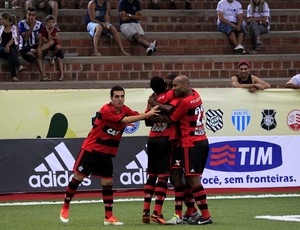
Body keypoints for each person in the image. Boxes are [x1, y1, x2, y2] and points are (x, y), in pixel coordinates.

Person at [59, 86, 160, 225]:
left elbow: (136, 115)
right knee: (78, 178)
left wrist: (150, 110)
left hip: (106, 154)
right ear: (111, 98)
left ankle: (108, 217)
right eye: (116, 97)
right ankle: (65, 205)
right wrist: (148, 114)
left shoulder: (125, 109)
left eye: (122, 96)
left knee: (107, 183)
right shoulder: (106, 110)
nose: (120, 99)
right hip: (91, 150)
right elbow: (126, 120)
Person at [160, 75, 213, 225]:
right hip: (201, 141)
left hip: (191, 144)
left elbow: (171, 119)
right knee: (188, 179)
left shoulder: (185, 102)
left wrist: (155, 107)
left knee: (193, 180)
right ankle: (190, 212)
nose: (173, 89)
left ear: (185, 85)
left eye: (176, 86)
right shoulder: (195, 94)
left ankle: (206, 216)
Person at [142, 76, 176, 225]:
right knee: (162, 177)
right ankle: (157, 212)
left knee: (151, 176)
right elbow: (171, 115)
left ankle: (145, 211)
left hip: (152, 139)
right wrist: (163, 117)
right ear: (165, 85)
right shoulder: (169, 95)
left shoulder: (151, 99)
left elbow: (147, 120)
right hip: (164, 140)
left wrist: (155, 115)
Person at [18, 7, 50, 81]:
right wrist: (32, 25)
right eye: (29, 15)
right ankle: (43, 75)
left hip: (36, 47)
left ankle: (35, 51)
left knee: (43, 47)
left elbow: (41, 38)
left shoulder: (40, 24)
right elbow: (25, 38)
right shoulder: (21, 24)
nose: (31, 17)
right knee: (36, 56)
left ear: (35, 16)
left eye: (33, 15)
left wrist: (38, 48)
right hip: (25, 48)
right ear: (26, 15)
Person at [0, 12, 26, 82]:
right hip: (1, 49)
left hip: (11, 49)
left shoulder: (14, 28)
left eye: (2, 19)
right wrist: (6, 47)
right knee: (11, 51)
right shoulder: (1, 28)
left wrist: (8, 45)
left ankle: (13, 77)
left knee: (10, 55)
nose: (1, 21)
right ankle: (19, 66)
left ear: (7, 19)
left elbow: (14, 38)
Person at [39, 15, 64, 81]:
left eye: (52, 22)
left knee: (59, 52)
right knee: (48, 44)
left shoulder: (55, 30)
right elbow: (44, 40)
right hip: (47, 45)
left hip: (54, 44)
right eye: (49, 22)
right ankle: (37, 52)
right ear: (46, 23)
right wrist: (49, 37)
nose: (51, 24)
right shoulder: (44, 29)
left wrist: (51, 38)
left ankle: (62, 75)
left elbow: (55, 39)